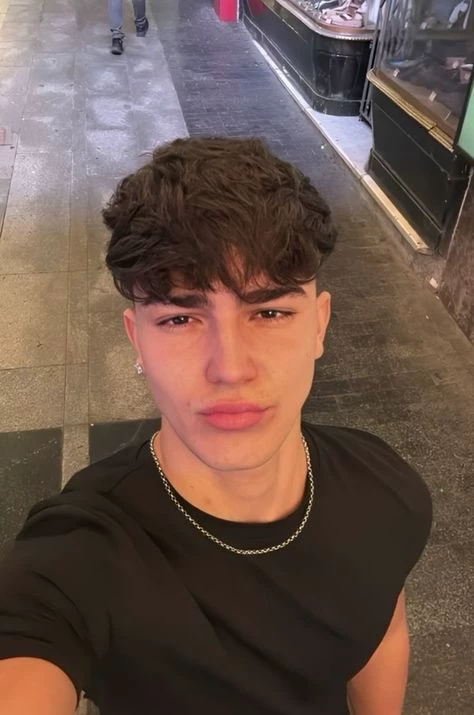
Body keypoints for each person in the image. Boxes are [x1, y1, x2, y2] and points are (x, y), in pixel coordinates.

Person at [0, 137, 432, 715]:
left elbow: (380, 628)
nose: (230, 368)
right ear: (136, 341)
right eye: (180, 318)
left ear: (319, 326)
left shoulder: (385, 489)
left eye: (270, 311)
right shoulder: (79, 560)